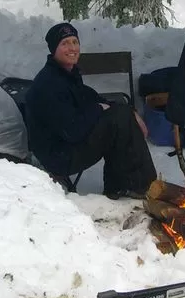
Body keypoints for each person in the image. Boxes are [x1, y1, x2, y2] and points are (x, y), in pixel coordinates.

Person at [24, 22, 157, 199]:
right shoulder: (49, 84)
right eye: (65, 44)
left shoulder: (66, 74)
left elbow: (89, 97)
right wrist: (99, 109)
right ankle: (143, 187)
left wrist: (124, 110)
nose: (72, 48)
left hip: (65, 145)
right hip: (58, 155)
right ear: (53, 49)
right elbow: (72, 130)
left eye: (74, 42)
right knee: (118, 119)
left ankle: (122, 185)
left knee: (121, 114)